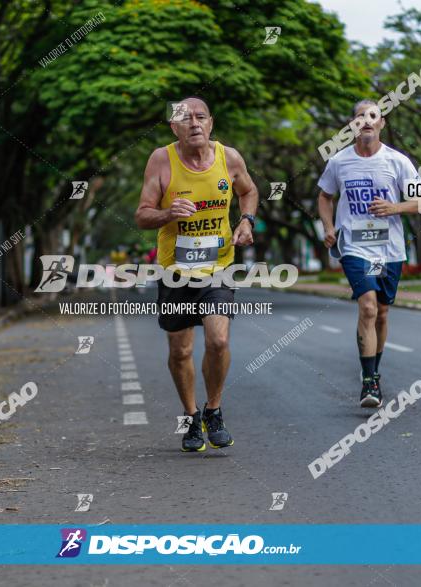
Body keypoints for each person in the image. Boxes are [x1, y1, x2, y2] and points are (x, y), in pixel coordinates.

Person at [135, 96, 258, 451]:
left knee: (218, 340)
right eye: (185, 119)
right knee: (180, 351)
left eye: (200, 117)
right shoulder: (161, 160)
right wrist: (168, 213)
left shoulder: (229, 158)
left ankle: (213, 410)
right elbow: (142, 214)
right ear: (174, 127)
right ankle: (191, 417)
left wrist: (246, 221)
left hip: (218, 266)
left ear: (211, 123)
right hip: (175, 270)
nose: (194, 124)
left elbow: (248, 191)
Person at [317, 99, 421, 408]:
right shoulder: (339, 162)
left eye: (372, 116)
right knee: (368, 308)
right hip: (355, 246)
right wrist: (328, 226)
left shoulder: (398, 161)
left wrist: (394, 207)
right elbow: (324, 197)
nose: (366, 120)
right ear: (353, 124)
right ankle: (368, 382)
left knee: (383, 311)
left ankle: (375, 371)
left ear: (381, 124)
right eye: (360, 116)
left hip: (389, 248)